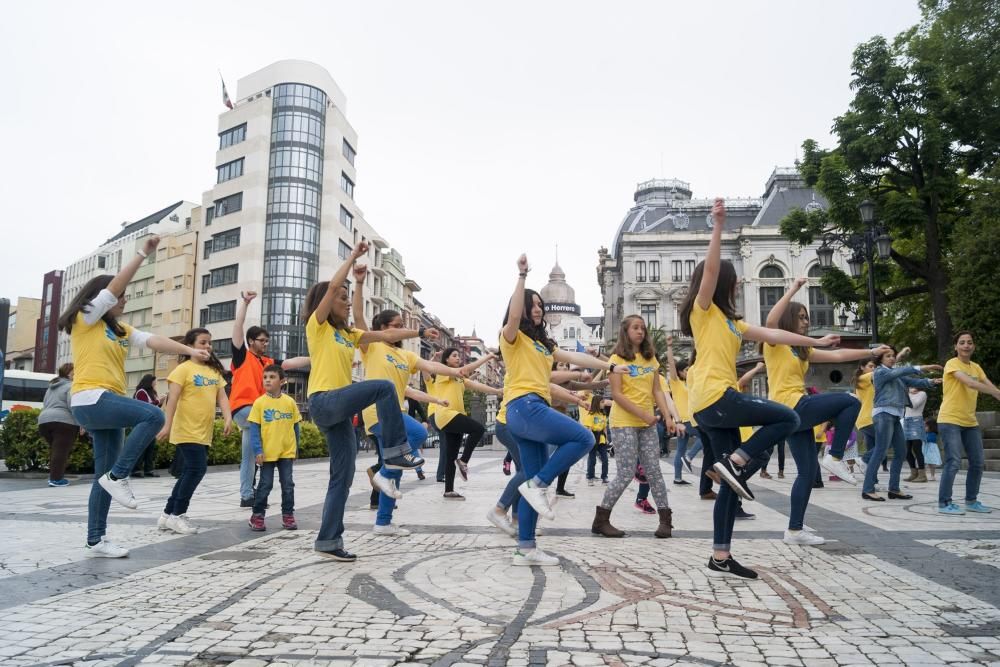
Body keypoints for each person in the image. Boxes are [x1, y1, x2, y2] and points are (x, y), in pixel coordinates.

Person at [682, 199, 839, 580]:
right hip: (714, 396)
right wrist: (717, 226)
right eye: (731, 281)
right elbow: (711, 270)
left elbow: (773, 333)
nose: (735, 285)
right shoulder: (703, 310)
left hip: (713, 405)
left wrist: (818, 342)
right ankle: (734, 462)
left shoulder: (734, 323)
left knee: (730, 488)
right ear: (723, 283)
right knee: (788, 416)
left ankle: (720, 555)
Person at [59, 235, 211, 558]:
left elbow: (154, 340)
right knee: (154, 415)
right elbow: (112, 290)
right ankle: (120, 476)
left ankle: (95, 539)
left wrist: (188, 350)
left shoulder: (121, 330)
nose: (124, 301)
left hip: (107, 403)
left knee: (103, 477)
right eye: (122, 297)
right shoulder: (86, 318)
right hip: (90, 397)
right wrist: (143, 253)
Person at [297, 239, 431, 562]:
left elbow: (385, 336)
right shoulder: (317, 328)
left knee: (341, 477)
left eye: (346, 299)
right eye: (341, 300)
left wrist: (420, 335)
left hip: (339, 412)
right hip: (323, 400)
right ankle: (397, 452)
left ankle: (329, 540)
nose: (344, 303)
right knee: (384, 387)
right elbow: (331, 288)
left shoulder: (349, 335)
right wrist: (353, 257)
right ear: (326, 303)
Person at [502, 253, 627, 566]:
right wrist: (522, 277)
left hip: (530, 410)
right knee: (584, 438)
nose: (537, 310)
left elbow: (577, 357)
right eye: (533, 306)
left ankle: (525, 548)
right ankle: (539, 485)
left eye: (540, 307)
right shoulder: (511, 338)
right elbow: (514, 317)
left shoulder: (543, 345)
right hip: (524, 406)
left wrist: (608, 364)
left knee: (531, 479)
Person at [759, 277, 892, 543]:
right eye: (800, 317)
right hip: (791, 405)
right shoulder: (775, 343)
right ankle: (835, 456)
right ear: (789, 320)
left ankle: (794, 530)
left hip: (795, 417)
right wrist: (793, 289)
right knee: (851, 401)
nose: (806, 321)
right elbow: (771, 322)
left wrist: (871, 352)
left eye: (807, 317)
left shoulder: (802, 349)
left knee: (807, 474)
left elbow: (838, 356)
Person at [591, 314, 680, 539]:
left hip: (647, 423)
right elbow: (618, 396)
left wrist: (668, 417)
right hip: (623, 423)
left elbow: (657, 390)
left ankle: (665, 521)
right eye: (635, 328)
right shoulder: (616, 359)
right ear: (626, 332)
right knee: (625, 472)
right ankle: (601, 520)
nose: (640, 331)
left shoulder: (651, 360)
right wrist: (644, 415)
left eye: (642, 328)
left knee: (654, 471)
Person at [156, 328, 232, 535]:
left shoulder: (213, 372)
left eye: (209, 342)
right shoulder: (183, 369)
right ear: (190, 346)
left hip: (203, 432)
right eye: (202, 342)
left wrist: (228, 418)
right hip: (186, 429)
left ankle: (167, 515)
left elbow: (222, 397)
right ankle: (178, 515)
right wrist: (167, 425)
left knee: (190, 471)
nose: (208, 346)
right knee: (197, 470)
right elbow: (172, 400)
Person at [862, 346, 941, 502]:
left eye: (893, 356)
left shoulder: (894, 375)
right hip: (883, 414)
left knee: (901, 451)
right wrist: (923, 367)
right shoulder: (880, 372)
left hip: (895, 416)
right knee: (880, 450)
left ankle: (894, 489)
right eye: (888, 356)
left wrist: (932, 381)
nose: (892, 358)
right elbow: (900, 371)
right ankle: (868, 489)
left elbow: (912, 381)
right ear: (880, 360)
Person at [424, 347, 501, 496]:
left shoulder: (458, 379)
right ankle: (464, 461)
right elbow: (466, 369)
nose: (458, 358)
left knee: (451, 456)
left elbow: (477, 385)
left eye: (459, 356)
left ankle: (448, 490)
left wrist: (497, 391)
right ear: (446, 359)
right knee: (478, 429)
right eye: (454, 356)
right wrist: (487, 357)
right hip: (447, 415)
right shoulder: (442, 373)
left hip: (454, 415)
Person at [937, 331, 1000, 515]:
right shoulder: (951, 364)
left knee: (978, 463)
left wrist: (997, 393)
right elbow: (971, 384)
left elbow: (991, 388)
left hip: (970, 421)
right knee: (954, 461)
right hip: (950, 419)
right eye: (962, 342)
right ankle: (944, 502)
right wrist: (995, 392)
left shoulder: (976, 367)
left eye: (969, 342)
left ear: (973, 346)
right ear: (956, 346)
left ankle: (971, 501)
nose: (966, 345)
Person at [229, 291, 274, 508]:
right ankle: (261, 487)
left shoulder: (268, 361)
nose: (265, 343)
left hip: (255, 414)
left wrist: (319, 360)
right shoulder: (242, 356)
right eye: (262, 340)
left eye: (267, 341)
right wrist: (245, 303)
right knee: (273, 427)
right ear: (250, 341)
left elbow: (292, 363)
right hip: (244, 409)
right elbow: (237, 328)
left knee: (248, 456)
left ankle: (247, 495)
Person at [247, 364, 302, 531]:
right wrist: (258, 451)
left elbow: (296, 428)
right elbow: (254, 430)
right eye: (265, 377)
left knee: (288, 484)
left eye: (272, 377)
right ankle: (257, 516)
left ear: (282, 381)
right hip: (266, 453)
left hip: (286, 452)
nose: (267, 380)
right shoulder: (259, 403)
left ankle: (288, 516)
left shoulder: (290, 402)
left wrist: (295, 449)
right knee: (265, 484)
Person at [665, 338, 701, 484]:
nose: (688, 372)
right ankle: (689, 457)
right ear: (680, 372)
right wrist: (669, 347)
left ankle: (677, 478)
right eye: (686, 370)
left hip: (689, 419)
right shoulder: (676, 383)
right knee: (705, 438)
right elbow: (671, 364)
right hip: (684, 420)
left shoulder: (690, 382)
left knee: (680, 449)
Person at [38, 363, 79, 487]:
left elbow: (45, 404)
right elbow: (73, 405)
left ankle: (55, 477)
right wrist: (81, 422)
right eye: (75, 372)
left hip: (44, 421)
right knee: (60, 451)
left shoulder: (51, 387)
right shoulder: (71, 386)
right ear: (69, 374)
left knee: (56, 451)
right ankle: (56, 479)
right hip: (63, 422)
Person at [132, 374, 162, 478]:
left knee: (150, 447)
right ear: (149, 381)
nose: (155, 383)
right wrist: (158, 401)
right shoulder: (141, 392)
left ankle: (149, 469)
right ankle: (136, 470)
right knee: (141, 446)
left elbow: (155, 406)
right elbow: (145, 407)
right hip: (142, 423)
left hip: (152, 423)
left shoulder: (152, 393)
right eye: (154, 381)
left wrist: (160, 402)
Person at [581, 394, 610, 485]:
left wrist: (607, 439)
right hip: (593, 437)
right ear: (597, 403)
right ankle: (590, 477)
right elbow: (589, 428)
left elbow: (604, 428)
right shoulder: (591, 415)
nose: (604, 404)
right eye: (602, 402)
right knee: (592, 459)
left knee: (605, 459)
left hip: (601, 439)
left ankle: (604, 477)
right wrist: (590, 440)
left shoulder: (603, 415)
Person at [904, 387, 929, 483]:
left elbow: (913, 405)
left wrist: (907, 394)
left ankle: (922, 475)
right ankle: (913, 473)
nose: (911, 387)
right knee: (906, 450)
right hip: (907, 421)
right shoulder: (907, 393)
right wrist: (907, 392)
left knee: (917, 449)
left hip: (916, 421)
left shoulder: (922, 393)